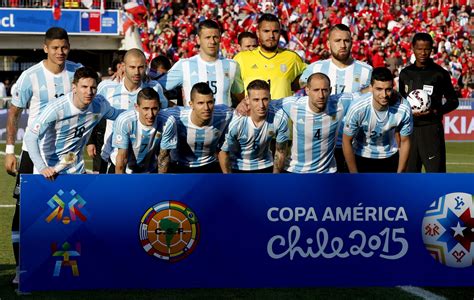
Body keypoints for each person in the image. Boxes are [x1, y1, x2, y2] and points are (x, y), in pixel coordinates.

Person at [4, 27, 82, 284]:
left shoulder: (77, 71)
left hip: (67, 158)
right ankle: (21, 267)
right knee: (23, 211)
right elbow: (14, 114)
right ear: (45, 47)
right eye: (56, 47)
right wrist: (10, 151)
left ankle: (69, 266)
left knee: (72, 212)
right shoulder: (30, 76)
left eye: (65, 47)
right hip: (33, 154)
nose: (61, 52)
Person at [23, 67, 122, 178]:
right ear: (74, 87)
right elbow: (30, 137)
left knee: (84, 196)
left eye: (93, 88)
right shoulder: (56, 108)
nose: (89, 92)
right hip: (49, 171)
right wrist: (42, 168)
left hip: (76, 169)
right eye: (84, 87)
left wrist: (140, 112)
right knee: (52, 196)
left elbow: (119, 115)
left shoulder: (99, 105)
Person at [300, 24, 373, 172]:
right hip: (322, 146)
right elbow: (303, 100)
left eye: (346, 41)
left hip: (357, 145)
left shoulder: (366, 70)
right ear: (328, 43)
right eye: (337, 40)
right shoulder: (315, 69)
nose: (342, 45)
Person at [89, 48, 169, 172]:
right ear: (123, 66)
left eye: (141, 67)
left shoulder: (154, 88)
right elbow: (92, 114)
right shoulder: (107, 87)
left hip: (145, 163)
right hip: (113, 158)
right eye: (132, 67)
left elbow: (164, 113)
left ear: (146, 67)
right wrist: (91, 140)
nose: (137, 72)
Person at [399, 32, 459, 173]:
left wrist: (436, 111)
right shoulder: (405, 74)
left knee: (435, 174)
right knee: (409, 174)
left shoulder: (440, 73)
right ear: (413, 48)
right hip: (409, 131)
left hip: (431, 129)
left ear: (432, 49)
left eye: (426, 49)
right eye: (419, 48)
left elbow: (453, 101)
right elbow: (400, 103)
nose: (423, 52)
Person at [273, 73, 352, 173]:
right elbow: (266, 104)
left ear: (330, 90)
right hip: (295, 171)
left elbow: (364, 95)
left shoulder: (340, 104)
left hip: (328, 172)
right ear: (307, 90)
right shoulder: (293, 105)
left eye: (324, 90)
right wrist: (246, 104)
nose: (321, 95)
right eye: (316, 90)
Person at [158, 20, 245, 107]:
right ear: (198, 39)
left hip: (225, 120)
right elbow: (155, 88)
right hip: (194, 120)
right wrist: (175, 109)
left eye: (215, 37)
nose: (212, 41)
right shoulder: (184, 65)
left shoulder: (232, 65)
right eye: (207, 37)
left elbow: (241, 96)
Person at [343, 67, 413, 173]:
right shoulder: (358, 108)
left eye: (388, 89)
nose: (384, 95)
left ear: (393, 87)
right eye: (379, 89)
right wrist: (354, 174)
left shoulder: (403, 108)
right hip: (361, 157)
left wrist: (400, 172)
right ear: (371, 88)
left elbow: (405, 141)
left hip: (390, 158)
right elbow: (346, 141)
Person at [219, 80, 289, 173]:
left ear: (270, 98)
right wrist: (229, 179)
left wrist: (274, 178)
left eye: (265, 99)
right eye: (256, 100)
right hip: (238, 167)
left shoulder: (279, 118)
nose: (261, 105)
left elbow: (280, 151)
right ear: (247, 99)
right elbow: (223, 153)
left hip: (266, 165)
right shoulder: (236, 121)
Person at [233, 13, 307, 99]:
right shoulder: (241, 58)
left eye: (275, 31)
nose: (271, 36)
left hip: (282, 112)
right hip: (253, 112)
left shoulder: (292, 57)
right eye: (266, 31)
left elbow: (310, 76)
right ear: (258, 33)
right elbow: (233, 88)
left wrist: (293, 85)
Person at [108, 87, 177, 174]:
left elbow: (163, 157)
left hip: (149, 169)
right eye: (146, 109)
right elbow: (122, 158)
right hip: (121, 168)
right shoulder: (125, 121)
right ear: (137, 107)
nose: (150, 114)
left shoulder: (168, 122)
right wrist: (121, 184)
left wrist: (160, 183)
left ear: (159, 106)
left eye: (154, 108)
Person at [168, 82, 233, 173]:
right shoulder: (176, 116)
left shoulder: (225, 114)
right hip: (180, 167)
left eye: (209, 102)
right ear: (191, 104)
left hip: (209, 166)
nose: (206, 108)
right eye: (200, 103)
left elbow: (242, 113)